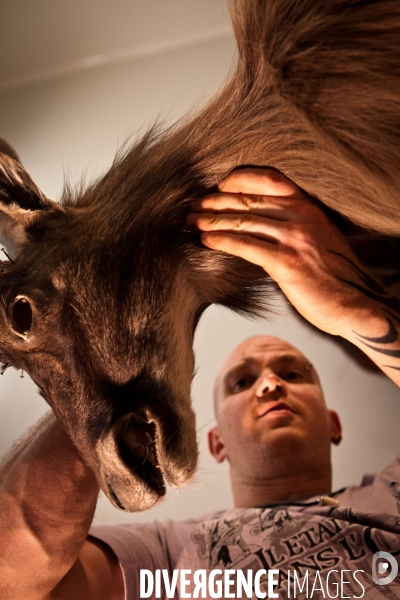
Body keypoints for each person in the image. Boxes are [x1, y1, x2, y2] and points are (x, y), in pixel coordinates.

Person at [1, 169, 400, 600]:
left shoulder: (388, 495)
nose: (270, 385)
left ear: (333, 423)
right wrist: (102, 371)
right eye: (241, 383)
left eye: (293, 374)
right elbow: (11, 579)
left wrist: (354, 311)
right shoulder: (164, 556)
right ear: (216, 443)